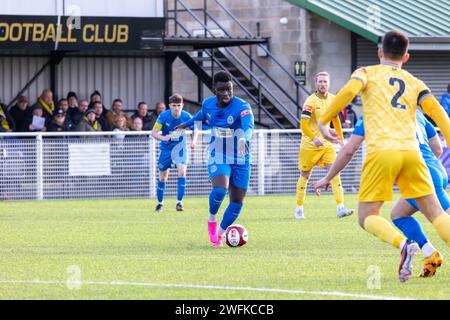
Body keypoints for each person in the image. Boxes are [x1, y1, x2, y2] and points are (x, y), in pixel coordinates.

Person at [316, 30, 450, 282]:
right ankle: (426, 250)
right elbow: (438, 113)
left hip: (382, 154)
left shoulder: (366, 73)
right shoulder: (415, 82)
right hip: (413, 155)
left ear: (379, 52)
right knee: (438, 216)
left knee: (367, 217)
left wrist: (324, 120)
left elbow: (347, 91)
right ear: (406, 57)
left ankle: (403, 244)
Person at [314, 111, 445, 278]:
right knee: (398, 215)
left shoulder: (372, 111)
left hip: (421, 175)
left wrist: (328, 177)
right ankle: (431, 254)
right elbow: (438, 149)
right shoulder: (414, 110)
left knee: (442, 220)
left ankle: (408, 247)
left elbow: (349, 150)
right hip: (436, 169)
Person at [176, 70, 254, 248]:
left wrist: (244, 138)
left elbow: (248, 126)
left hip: (241, 157)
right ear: (214, 90)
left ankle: (220, 233)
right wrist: (185, 125)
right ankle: (211, 219)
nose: (226, 93)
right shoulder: (208, 104)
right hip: (218, 152)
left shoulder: (242, 107)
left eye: (229, 89)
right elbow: (200, 117)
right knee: (220, 189)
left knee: (237, 203)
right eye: (222, 90)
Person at [295, 71, 353, 219]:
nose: (323, 84)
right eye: (320, 81)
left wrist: (340, 139)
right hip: (309, 145)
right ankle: (299, 209)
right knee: (305, 176)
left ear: (329, 83)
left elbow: (336, 120)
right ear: (316, 83)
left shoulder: (334, 99)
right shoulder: (310, 101)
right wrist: (314, 138)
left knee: (335, 172)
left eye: (325, 82)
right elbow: (303, 125)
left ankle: (340, 208)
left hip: (327, 144)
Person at [151, 94, 194, 212]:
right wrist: (164, 138)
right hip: (166, 149)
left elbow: (196, 128)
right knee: (163, 177)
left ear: (182, 105)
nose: (176, 108)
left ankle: (179, 203)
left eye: (179, 105)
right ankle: (160, 203)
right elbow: (154, 133)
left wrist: (193, 141)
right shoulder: (163, 116)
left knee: (182, 172)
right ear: (169, 106)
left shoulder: (186, 116)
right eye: (174, 105)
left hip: (180, 148)